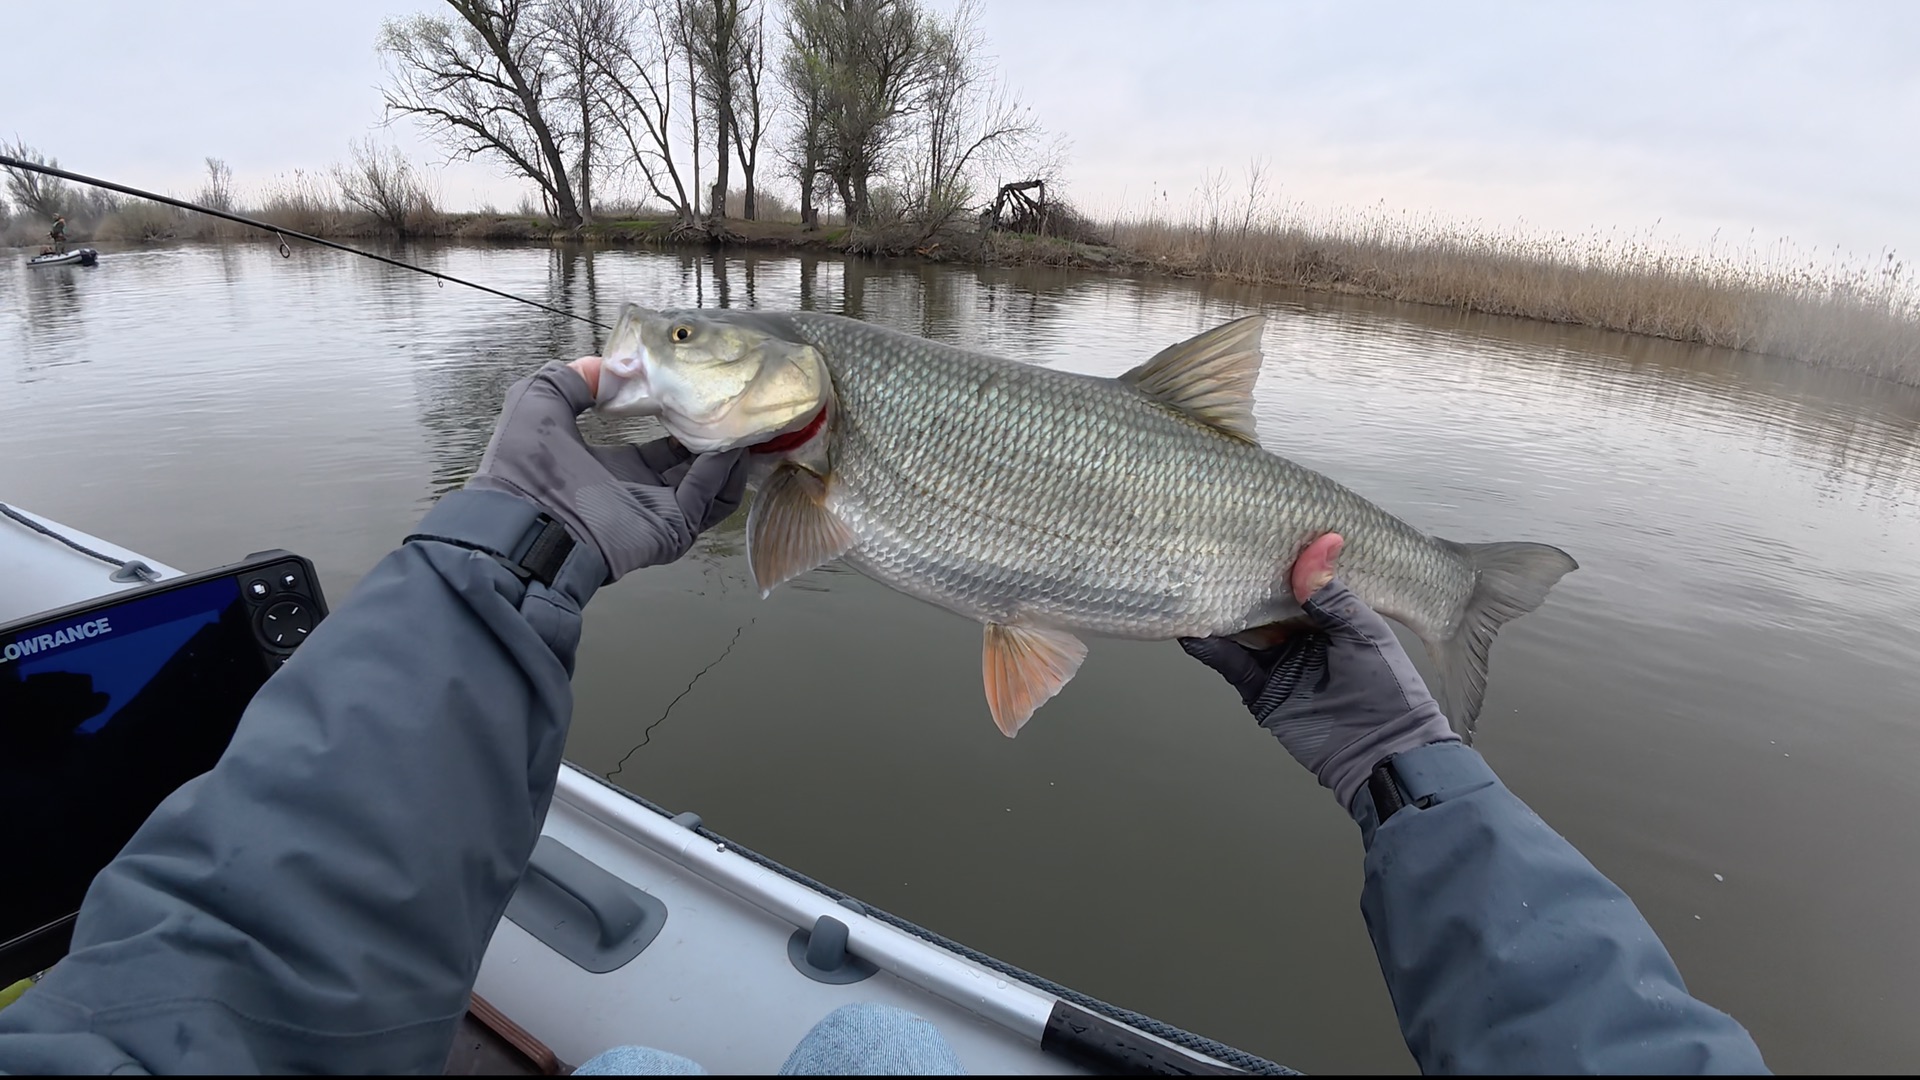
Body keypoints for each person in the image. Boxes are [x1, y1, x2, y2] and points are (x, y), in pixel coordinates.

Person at [0, 358, 1770, 1074]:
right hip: (1182, 564)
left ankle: (1442, 581)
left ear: (789, 376)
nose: (669, 365)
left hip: (1217, 521)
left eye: (697, 345)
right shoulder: (806, 458)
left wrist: (499, 557)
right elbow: (792, 536)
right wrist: (1413, 783)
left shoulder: (825, 425)